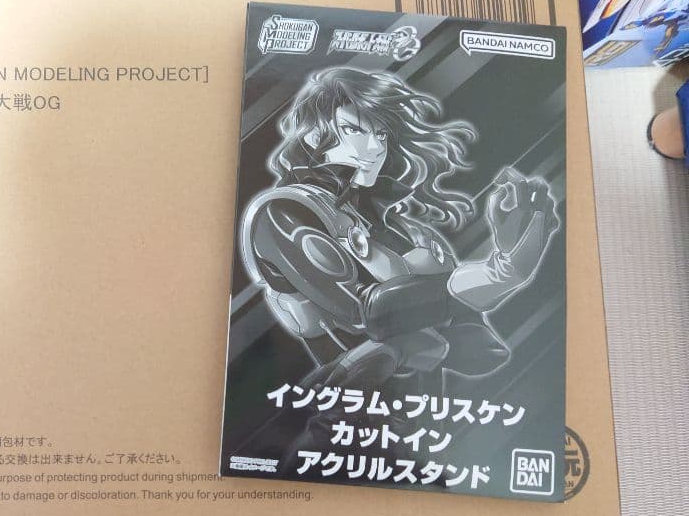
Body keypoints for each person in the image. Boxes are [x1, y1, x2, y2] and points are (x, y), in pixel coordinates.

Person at [239, 67, 560, 468]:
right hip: (343, 423)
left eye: (382, 134)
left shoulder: (396, 227)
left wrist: (510, 253)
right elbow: (366, 312)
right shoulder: (286, 212)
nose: (375, 147)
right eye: (355, 129)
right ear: (313, 134)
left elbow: (479, 351)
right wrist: (498, 273)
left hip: (416, 428)